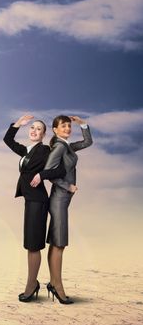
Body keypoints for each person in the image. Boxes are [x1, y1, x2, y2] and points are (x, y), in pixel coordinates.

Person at [3, 114, 66, 302]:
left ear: (44, 134)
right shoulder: (26, 151)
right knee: (31, 244)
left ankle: (31, 285)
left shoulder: (45, 150)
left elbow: (61, 169)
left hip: (38, 201)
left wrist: (42, 174)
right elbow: (8, 140)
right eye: (32, 128)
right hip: (31, 200)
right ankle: (34, 283)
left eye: (39, 129)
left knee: (33, 245)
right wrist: (17, 124)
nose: (34, 130)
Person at [30, 115, 92, 304]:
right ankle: (57, 286)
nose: (67, 128)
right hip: (58, 199)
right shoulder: (58, 147)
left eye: (68, 126)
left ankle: (54, 283)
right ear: (55, 130)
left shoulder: (67, 146)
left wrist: (83, 124)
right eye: (63, 126)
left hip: (63, 200)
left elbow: (88, 141)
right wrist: (68, 186)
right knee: (59, 243)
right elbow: (49, 173)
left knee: (57, 242)